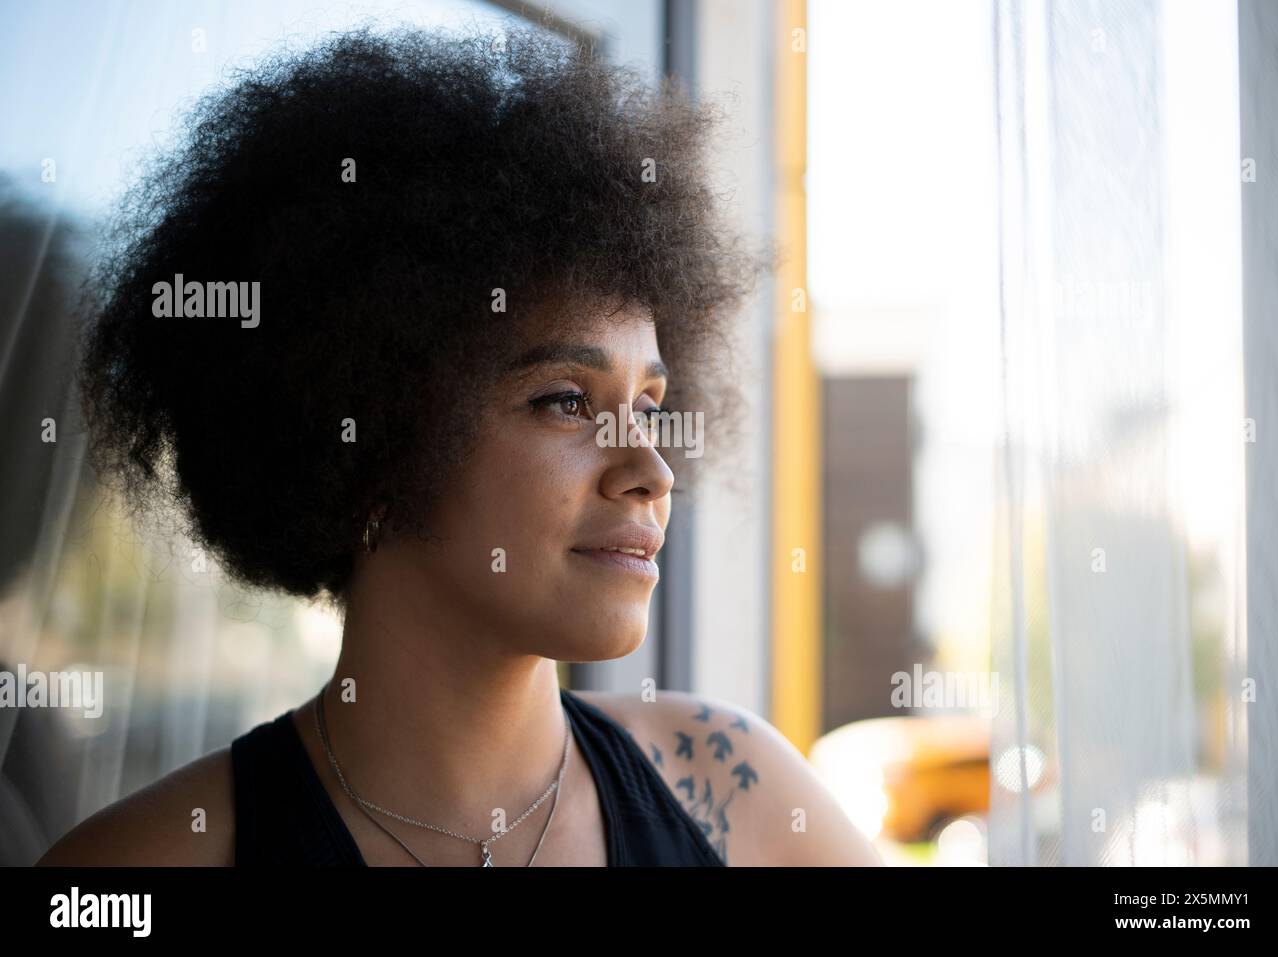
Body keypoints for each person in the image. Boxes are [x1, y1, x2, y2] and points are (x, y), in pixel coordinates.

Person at [38, 23, 882, 867]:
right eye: (565, 400)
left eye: (652, 407)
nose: (651, 472)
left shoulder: (739, 796)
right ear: (370, 442)